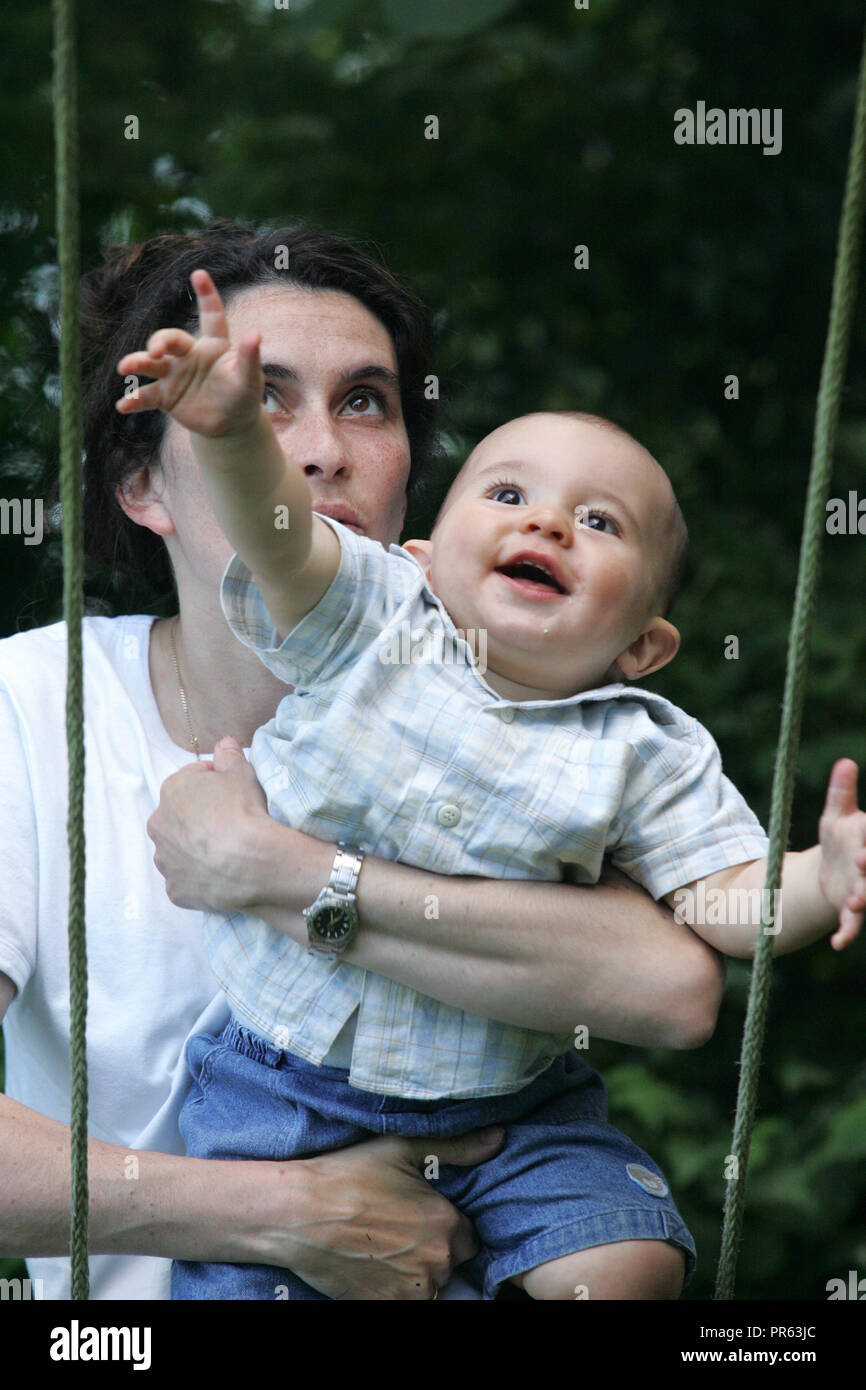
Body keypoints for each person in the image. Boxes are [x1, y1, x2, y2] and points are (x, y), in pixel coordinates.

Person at [0, 221, 727, 1303]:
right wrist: (282, 1214)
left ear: (409, 498)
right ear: (141, 485)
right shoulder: (25, 707)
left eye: (363, 401)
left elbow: (671, 986)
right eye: (258, 399)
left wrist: (277, 874)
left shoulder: (526, 720)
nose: (319, 448)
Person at [120, 268, 866, 1300]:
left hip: (513, 1109)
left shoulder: (646, 747)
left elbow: (722, 901)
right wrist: (230, 433)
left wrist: (824, 876)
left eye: (599, 524)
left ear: (644, 645)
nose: (547, 524)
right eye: (507, 494)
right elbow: (280, 532)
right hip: (282, 1088)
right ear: (422, 557)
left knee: (628, 1258)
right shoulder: (372, 621)